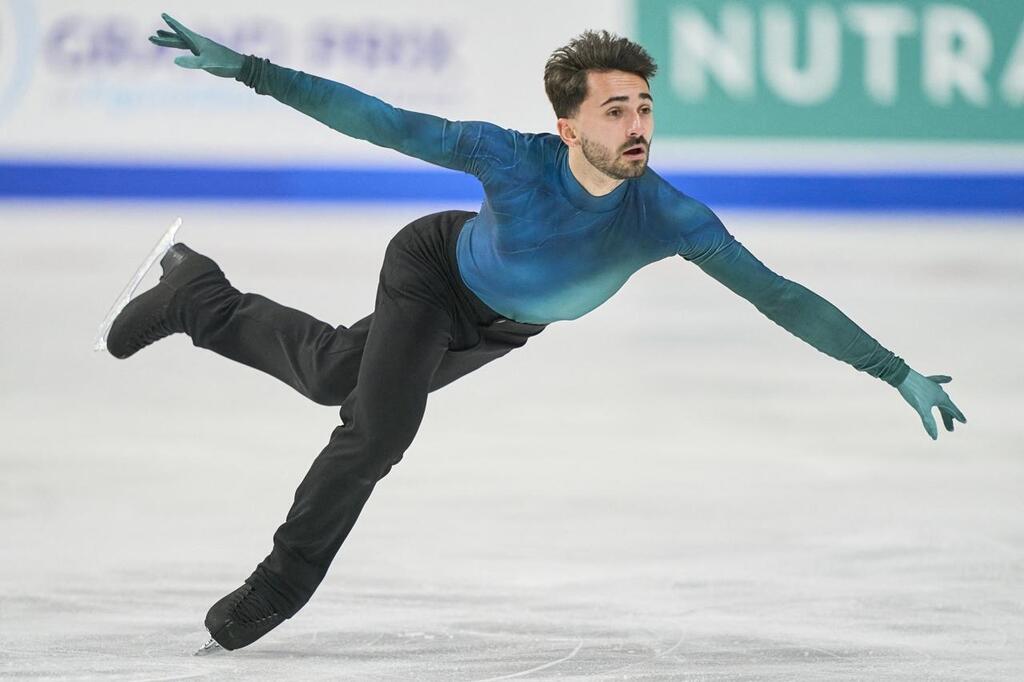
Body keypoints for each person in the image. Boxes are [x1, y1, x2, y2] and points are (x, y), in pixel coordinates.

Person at [106, 13, 966, 654]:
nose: (637, 128)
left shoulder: (668, 216)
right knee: (376, 431)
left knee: (335, 370)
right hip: (432, 271)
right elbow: (383, 122)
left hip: (504, 326)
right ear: (569, 128)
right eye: (616, 112)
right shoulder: (511, 158)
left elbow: (780, 297)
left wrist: (893, 371)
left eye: (644, 109)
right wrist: (255, 71)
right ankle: (278, 586)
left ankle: (198, 294)